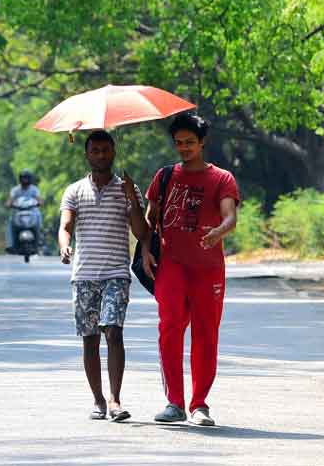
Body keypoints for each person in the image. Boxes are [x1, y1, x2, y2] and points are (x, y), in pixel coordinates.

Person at [141, 113, 240, 426]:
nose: (183, 148)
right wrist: (145, 246)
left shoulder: (221, 178)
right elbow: (149, 220)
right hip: (171, 264)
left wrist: (218, 233)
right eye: (179, 143)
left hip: (208, 268)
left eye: (189, 143)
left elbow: (230, 217)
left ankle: (199, 404)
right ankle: (174, 402)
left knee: (205, 333)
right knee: (169, 327)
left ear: (202, 143)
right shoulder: (165, 176)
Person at [58, 130, 148, 422]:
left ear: (114, 152)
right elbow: (66, 225)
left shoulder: (128, 189)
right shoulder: (74, 191)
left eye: (106, 150)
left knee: (114, 331)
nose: (101, 155)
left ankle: (115, 400)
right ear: (87, 154)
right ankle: (97, 399)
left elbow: (141, 232)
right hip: (84, 275)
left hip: (116, 273)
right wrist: (64, 245)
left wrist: (132, 198)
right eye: (95, 150)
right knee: (90, 339)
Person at [5, 169, 43, 250]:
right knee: (10, 221)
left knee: (38, 216)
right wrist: (9, 204)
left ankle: (40, 239)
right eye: (23, 178)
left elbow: (39, 199)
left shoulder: (34, 189)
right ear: (20, 179)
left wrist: (39, 202)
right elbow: (10, 200)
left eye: (26, 178)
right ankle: (10, 244)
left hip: (32, 211)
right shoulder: (15, 190)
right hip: (18, 212)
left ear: (30, 179)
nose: (25, 180)